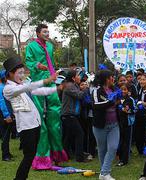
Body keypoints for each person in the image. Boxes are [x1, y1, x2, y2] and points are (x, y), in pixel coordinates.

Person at [3, 57, 57, 180]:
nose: (22, 75)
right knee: (28, 155)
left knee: (30, 155)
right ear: (11, 74)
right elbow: (28, 87)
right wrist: (47, 80)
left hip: (35, 123)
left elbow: (38, 91)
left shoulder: (20, 85)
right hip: (26, 126)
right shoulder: (9, 89)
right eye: (19, 73)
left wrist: (56, 89)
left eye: (23, 72)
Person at [25, 24, 67, 169]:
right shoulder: (31, 46)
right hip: (38, 82)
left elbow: (52, 63)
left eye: (48, 31)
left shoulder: (49, 46)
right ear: (38, 33)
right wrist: (37, 65)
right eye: (44, 31)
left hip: (50, 81)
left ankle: (56, 155)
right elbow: (28, 61)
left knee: (54, 118)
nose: (47, 33)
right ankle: (43, 157)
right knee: (40, 120)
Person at [92, 70, 121, 180]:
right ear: (106, 79)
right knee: (102, 149)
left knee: (113, 147)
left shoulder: (114, 89)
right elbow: (96, 105)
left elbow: (119, 101)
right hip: (100, 126)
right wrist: (111, 102)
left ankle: (104, 173)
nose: (113, 79)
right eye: (111, 77)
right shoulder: (96, 91)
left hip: (114, 124)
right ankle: (104, 174)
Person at [60, 69, 88, 162]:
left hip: (69, 115)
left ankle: (64, 155)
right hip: (69, 115)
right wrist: (85, 89)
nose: (79, 77)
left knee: (68, 136)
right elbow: (79, 95)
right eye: (77, 75)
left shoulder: (73, 85)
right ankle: (79, 157)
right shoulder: (69, 86)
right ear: (73, 78)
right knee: (80, 134)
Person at [117, 84, 136, 167]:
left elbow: (135, 109)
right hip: (119, 122)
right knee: (120, 140)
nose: (123, 91)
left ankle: (125, 160)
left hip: (128, 123)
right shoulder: (118, 99)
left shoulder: (130, 99)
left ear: (128, 91)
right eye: (122, 89)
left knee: (127, 142)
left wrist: (126, 110)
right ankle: (120, 157)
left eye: (125, 89)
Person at [135, 74, 146, 155]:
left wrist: (144, 103)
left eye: (143, 80)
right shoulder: (139, 90)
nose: (141, 81)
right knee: (139, 132)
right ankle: (140, 150)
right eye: (140, 80)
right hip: (139, 114)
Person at [0, 70, 14, 162]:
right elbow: (2, 102)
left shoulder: (5, 86)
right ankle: (5, 155)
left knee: (7, 134)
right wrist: (7, 115)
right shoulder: (1, 88)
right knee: (5, 135)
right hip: (4, 114)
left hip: (8, 113)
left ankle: (7, 152)